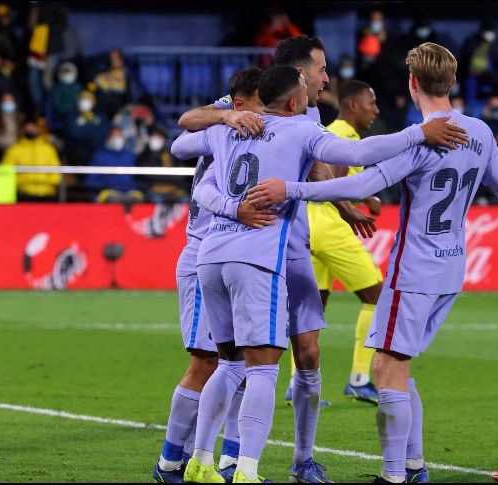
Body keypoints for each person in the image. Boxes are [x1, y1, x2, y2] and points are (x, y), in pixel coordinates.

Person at [247, 42, 498, 485]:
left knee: (387, 371)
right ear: (453, 81)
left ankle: (394, 476)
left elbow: (362, 183)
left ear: (411, 83)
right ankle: (413, 467)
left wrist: (290, 190)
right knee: (399, 369)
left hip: (415, 271)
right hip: (451, 269)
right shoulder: (480, 132)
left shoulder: (424, 136)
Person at [172, 63, 465, 484]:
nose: (314, 97)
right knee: (263, 369)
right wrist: (420, 133)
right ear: (293, 102)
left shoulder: (234, 127)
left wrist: (224, 117)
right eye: (308, 92)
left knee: (229, 363)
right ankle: (247, 472)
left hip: (211, 253)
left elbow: (188, 159)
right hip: (256, 257)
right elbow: (359, 155)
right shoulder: (301, 130)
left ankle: (199, 460)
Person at [152, 67, 272, 485]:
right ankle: (171, 461)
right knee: (208, 361)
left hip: (245, 254)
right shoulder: (220, 122)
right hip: (208, 251)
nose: (265, 112)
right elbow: (181, 137)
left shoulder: (275, 126)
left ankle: (230, 461)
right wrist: (225, 115)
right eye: (258, 105)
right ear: (239, 103)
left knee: (245, 365)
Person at [303, 80, 388, 404]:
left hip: (310, 226)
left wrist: (365, 194)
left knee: (314, 306)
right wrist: (365, 199)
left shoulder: (325, 129)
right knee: (377, 296)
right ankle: (359, 378)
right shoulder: (345, 135)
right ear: (353, 105)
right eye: (372, 104)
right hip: (331, 226)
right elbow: (333, 180)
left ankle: (300, 384)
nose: (375, 111)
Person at [1, 119, 62, 201]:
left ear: (38, 129)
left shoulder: (48, 149)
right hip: (23, 194)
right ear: (22, 130)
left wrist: (47, 182)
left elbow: (56, 172)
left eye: (33, 127)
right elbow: (6, 173)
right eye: (28, 129)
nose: (31, 130)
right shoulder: (14, 150)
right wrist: (23, 182)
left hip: (47, 194)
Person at [84, 126, 141, 202]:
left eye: (119, 136)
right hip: (109, 194)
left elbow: (139, 179)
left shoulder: (131, 156)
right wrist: (105, 187)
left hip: (131, 194)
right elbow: (90, 181)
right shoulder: (98, 156)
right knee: (112, 200)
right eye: (113, 136)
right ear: (108, 139)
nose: (116, 138)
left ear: (124, 139)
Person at [458, 19, 498, 101]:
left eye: (492, 32)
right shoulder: (472, 42)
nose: (489, 34)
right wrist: (470, 70)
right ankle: (470, 106)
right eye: (487, 31)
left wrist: (493, 76)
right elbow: (464, 61)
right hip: (475, 75)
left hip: (494, 75)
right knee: (470, 81)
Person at [64, 90, 109, 165]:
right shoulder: (72, 116)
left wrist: (83, 128)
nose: (85, 102)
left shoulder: (100, 116)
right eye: (82, 100)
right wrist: (92, 128)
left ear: (93, 102)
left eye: (88, 100)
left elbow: (102, 133)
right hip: (77, 153)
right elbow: (74, 132)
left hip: (96, 151)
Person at [93, 48, 132, 119]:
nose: (112, 61)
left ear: (122, 61)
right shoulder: (101, 75)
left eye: (115, 58)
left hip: (119, 115)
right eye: (111, 58)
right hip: (100, 114)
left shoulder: (127, 77)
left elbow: (130, 99)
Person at [49, 62, 83, 131]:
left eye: (70, 72)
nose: (68, 74)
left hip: (77, 118)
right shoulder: (57, 88)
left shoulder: (79, 87)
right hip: (61, 119)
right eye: (66, 72)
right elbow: (57, 104)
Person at [0, 91, 20, 156]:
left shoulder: (19, 117)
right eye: (6, 100)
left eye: (10, 100)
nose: (8, 102)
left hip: (14, 150)